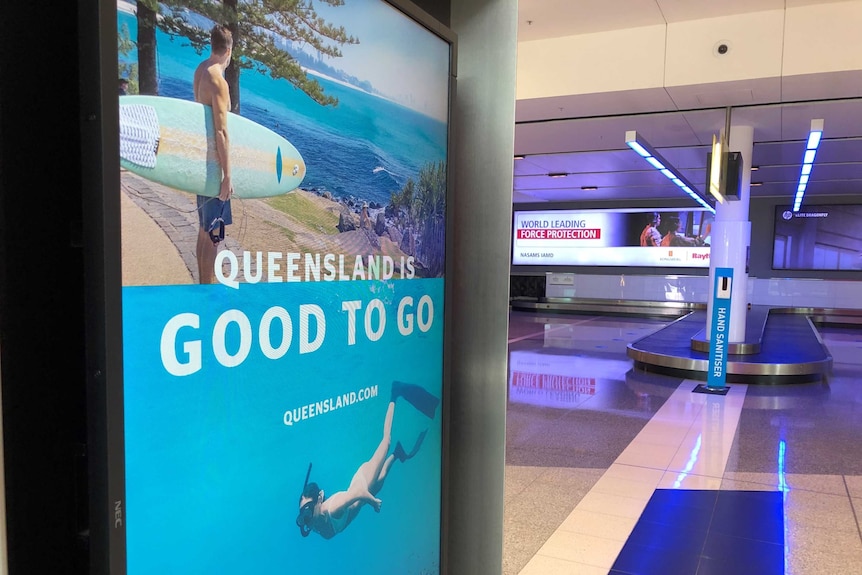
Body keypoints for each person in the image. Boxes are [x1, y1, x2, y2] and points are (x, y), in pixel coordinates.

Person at [295, 381, 439, 539]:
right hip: (360, 500)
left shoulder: (334, 507)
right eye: (303, 513)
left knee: (386, 441)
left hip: (362, 483)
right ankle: (397, 454)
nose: (306, 517)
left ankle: (395, 393)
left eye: (307, 508)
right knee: (382, 477)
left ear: (320, 499)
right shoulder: (313, 522)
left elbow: (358, 493)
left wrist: (373, 503)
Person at [193, 25, 234, 284]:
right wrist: (227, 176)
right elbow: (221, 132)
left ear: (212, 45)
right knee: (213, 235)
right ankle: (206, 293)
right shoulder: (218, 79)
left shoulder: (200, 70)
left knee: (203, 230)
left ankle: (201, 284)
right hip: (214, 167)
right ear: (229, 50)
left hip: (202, 163)